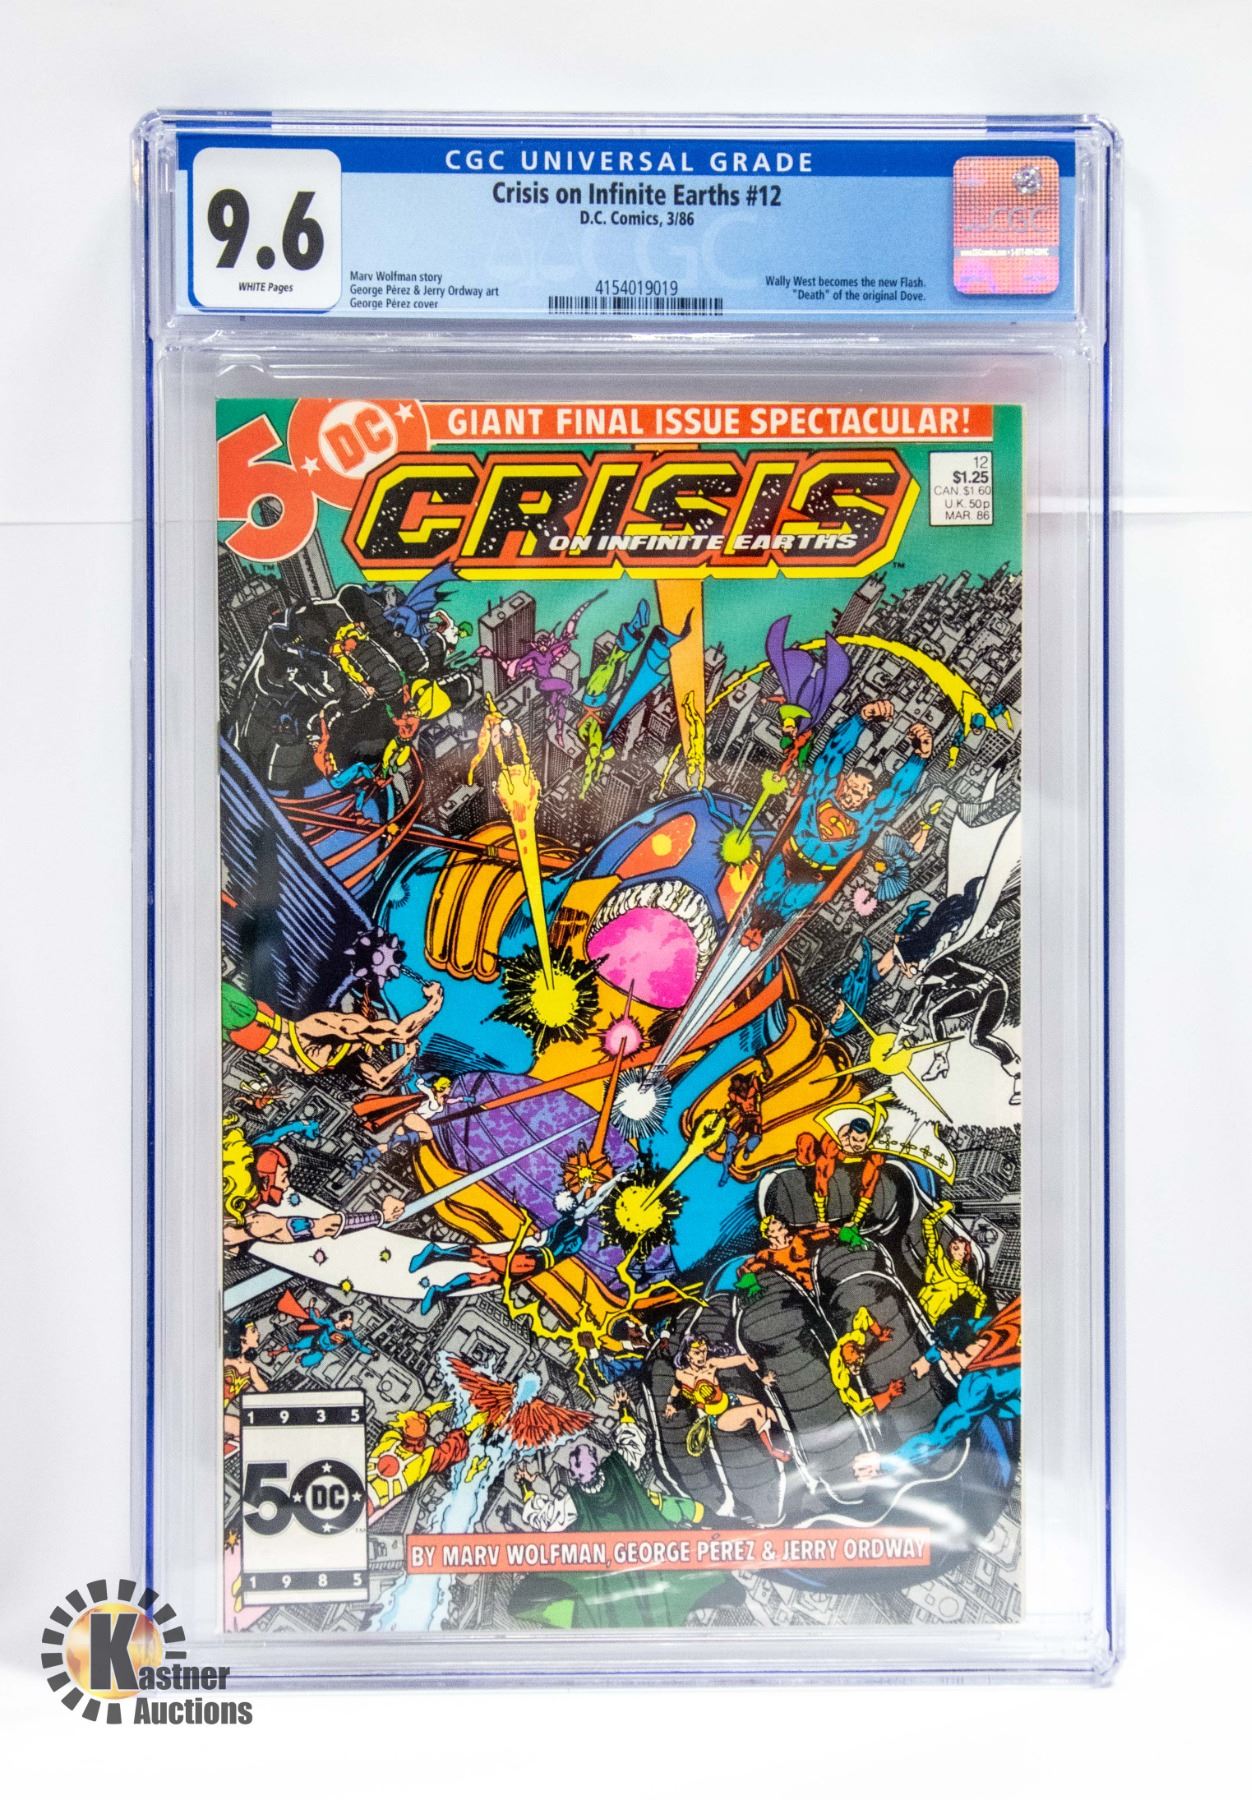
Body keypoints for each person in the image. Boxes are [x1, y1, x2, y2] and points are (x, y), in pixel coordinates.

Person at [221, 978, 444, 1088]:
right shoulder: (333, 1028)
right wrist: (434, 1004)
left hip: (248, 1021)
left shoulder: (345, 1050)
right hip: (249, 1025)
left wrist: (434, 1002)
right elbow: (401, 1034)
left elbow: (379, 1079)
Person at [665, 1338, 790, 1463]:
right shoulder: (681, 1374)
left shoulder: (710, 1364)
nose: (702, 1356)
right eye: (697, 1353)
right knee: (758, 1410)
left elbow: (739, 1360)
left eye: (704, 1351)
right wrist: (671, 1403)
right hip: (719, 1416)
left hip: (731, 1400)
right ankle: (772, 1450)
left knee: (768, 1411)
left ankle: (784, 1441)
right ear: (687, 1355)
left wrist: (759, 1375)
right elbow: (677, 1387)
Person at [794, 1113, 884, 1243]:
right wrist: (822, 1220)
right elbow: (821, 1178)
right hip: (821, 1173)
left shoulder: (874, 1157)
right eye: (854, 1139)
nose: (857, 1144)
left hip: (853, 1198)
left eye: (862, 1140)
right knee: (805, 1141)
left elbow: (868, 1190)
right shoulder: (831, 1147)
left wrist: (855, 1222)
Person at [917, 1198, 987, 1325]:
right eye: (954, 1243)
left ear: (964, 1254)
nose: (955, 1243)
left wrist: (976, 1319)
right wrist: (944, 1209)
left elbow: (982, 1298)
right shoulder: (938, 1258)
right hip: (916, 1307)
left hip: (930, 1321)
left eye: (960, 1244)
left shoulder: (965, 1281)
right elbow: (927, 1223)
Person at [829, 1307, 905, 1417]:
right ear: (846, 1365)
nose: (859, 1357)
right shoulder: (844, 1383)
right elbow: (860, 1409)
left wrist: (879, 1334)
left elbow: (863, 1314)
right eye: (853, 1362)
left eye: (857, 1352)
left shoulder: (855, 1342)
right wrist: (889, 1394)